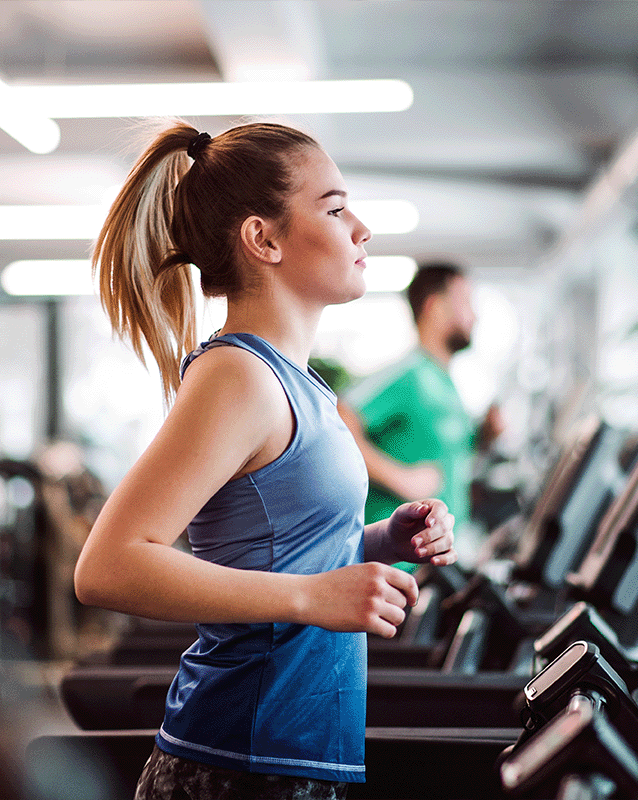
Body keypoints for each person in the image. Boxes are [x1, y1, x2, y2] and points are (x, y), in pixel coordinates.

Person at [73, 120, 457, 800]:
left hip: (289, 757)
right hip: (237, 763)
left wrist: (381, 540)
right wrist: (312, 596)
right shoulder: (239, 378)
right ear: (264, 238)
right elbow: (109, 566)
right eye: (335, 209)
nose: (361, 228)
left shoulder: (297, 383)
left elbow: (278, 552)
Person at [337, 263, 502, 565]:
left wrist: (486, 435)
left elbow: (446, 454)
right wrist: (401, 478)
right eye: (465, 303)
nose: (474, 317)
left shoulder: (445, 382)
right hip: (398, 562)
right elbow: (339, 416)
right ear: (434, 307)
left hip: (438, 558)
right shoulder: (408, 374)